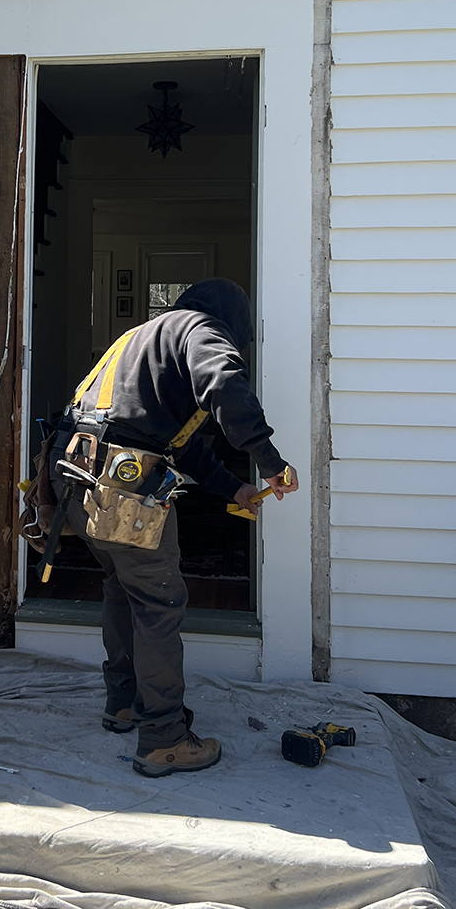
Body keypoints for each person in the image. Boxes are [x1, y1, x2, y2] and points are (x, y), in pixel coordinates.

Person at [48, 277, 297, 779]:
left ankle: (123, 703)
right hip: (120, 485)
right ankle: (163, 739)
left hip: (73, 478)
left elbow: (180, 444)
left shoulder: (139, 339)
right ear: (234, 324)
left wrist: (234, 489)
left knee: (124, 586)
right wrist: (268, 462)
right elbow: (224, 384)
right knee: (159, 603)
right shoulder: (199, 329)